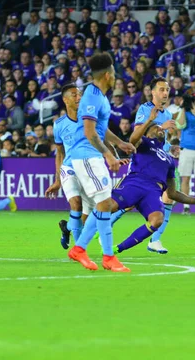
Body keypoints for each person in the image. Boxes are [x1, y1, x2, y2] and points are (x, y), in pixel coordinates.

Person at [66, 53, 136, 273]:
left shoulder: (100, 97)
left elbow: (100, 129)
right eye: (114, 72)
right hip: (86, 154)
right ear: (107, 75)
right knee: (104, 202)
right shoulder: (92, 96)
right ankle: (105, 256)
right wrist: (109, 155)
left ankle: (83, 250)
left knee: (103, 203)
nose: (116, 76)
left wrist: (120, 143)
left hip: (91, 154)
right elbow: (89, 132)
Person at [112, 115, 195, 254]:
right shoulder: (144, 143)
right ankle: (80, 231)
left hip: (153, 192)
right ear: (147, 132)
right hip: (136, 183)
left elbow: (172, 193)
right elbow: (133, 140)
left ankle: (116, 249)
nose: (161, 129)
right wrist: (148, 121)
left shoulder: (169, 160)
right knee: (108, 207)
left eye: (162, 129)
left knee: (157, 219)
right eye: (156, 127)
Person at [109, 78, 177, 254]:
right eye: (161, 89)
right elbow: (138, 136)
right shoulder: (145, 109)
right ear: (152, 92)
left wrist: (171, 148)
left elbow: (161, 141)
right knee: (128, 202)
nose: (165, 92)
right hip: (142, 160)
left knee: (169, 197)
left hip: (160, 162)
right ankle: (103, 223)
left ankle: (155, 240)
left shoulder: (168, 114)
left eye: (167, 89)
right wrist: (161, 126)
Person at [45, 84, 92, 249]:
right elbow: (59, 153)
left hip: (87, 170)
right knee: (76, 204)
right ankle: (79, 250)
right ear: (65, 100)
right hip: (69, 170)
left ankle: (67, 228)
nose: (79, 97)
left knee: (86, 218)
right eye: (74, 95)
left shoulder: (89, 119)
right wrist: (58, 180)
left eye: (80, 94)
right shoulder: (59, 125)